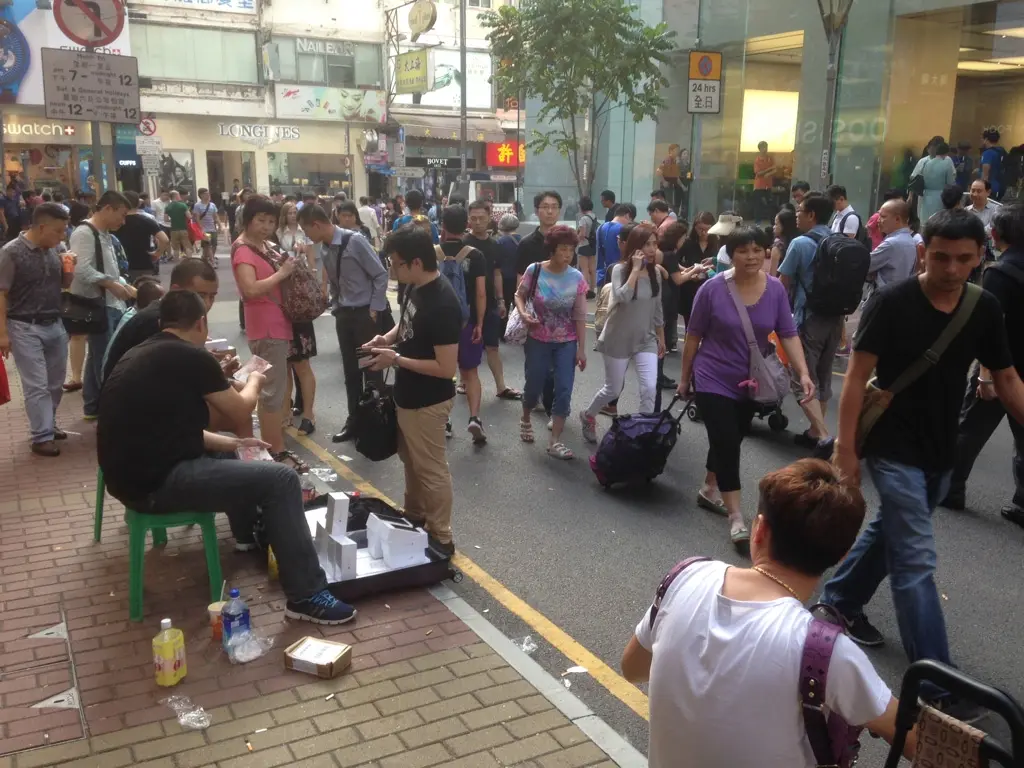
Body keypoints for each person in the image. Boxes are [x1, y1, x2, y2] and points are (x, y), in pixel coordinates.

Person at [826, 209, 1024, 720]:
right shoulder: (892, 303)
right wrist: (846, 450)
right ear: (922, 251)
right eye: (941, 256)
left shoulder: (984, 307)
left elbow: (1005, 379)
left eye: (964, 258)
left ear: (982, 256)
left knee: (890, 534)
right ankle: (937, 687)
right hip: (892, 447)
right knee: (915, 559)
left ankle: (839, 602)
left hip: (941, 450)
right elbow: (855, 379)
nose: (952, 268)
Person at [622, 459, 913, 768]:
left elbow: (633, 667)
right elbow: (914, 740)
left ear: (759, 529)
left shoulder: (686, 575)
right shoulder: (827, 655)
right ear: (841, 555)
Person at [98, 290, 355, 623]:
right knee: (281, 479)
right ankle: (306, 596)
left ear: (163, 322)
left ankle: (248, 536)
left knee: (234, 445)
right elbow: (241, 408)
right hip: (155, 485)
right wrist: (255, 380)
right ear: (201, 321)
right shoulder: (190, 356)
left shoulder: (144, 353)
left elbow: (173, 432)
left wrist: (234, 444)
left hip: (128, 479)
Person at [679, 225, 813, 550]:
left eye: (757, 250)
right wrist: (685, 378)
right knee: (727, 442)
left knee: (732, 435)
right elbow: (693, 335)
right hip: (712, 376)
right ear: (730, 254)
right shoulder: (711, 289)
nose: (751, 256)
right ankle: (737, 516)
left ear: (766, 252)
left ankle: (710, 488)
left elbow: (788, 333)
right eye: (743, 250)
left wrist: (804, 373)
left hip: (752, 381)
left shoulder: (776, 291)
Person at [362, 225, 462, 556]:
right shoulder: (413, 287)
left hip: (428, 401)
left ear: (416, 262)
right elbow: (405, 324)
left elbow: (446, 369)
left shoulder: (444, 303)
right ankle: (415, 517)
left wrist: (397, 359)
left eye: (396, 262)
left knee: (431, 468)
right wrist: (387, 340)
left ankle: (441, 536)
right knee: (412, 462)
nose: (392, 268)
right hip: (406, 395)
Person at [942, 204, 1024, 525]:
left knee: (969, 429)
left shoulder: (999, 273)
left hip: (1003, 368)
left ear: (996, 234)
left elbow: (991, 326)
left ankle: (951, 488)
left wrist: (986, 376)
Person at [297, 204, 388, 444]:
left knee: (372, 369)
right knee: (350, 371)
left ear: (316, 224)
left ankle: (377, 421)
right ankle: (355, 420)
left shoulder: (355, 241)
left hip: (364, 315)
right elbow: (335, 282)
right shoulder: (326, 249)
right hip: (344, 315)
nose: (308, 237)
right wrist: (336, 306)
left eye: (307, 230)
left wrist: (374, 309)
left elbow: (380, 274)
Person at [231, 194, 307, 471]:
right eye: (260, 220)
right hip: (266, 326)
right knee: (273, 392)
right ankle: (277, 450)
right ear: (247, 220)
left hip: (275, 323)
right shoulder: (243, 250)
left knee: (270, 387)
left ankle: (272, 446)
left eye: (271, 221)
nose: (266, 226)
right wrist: (282, 273)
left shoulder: (263, 245)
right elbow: (250, 290)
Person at [0, 203, 74, 456]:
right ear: (41, 227)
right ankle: (41, 435)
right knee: (37, 384)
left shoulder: (56, 249)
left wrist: (68, 270)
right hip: (23, 325)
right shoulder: (11, 252)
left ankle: (48, 424)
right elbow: (2, 293)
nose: (62, 236)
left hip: (54, 322)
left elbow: (64, 285)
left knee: (55, 382)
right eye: (58, 231)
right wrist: (2, 333)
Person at [580, 224, 665, 442]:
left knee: (649, 388)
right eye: (647, 244)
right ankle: (588, 415)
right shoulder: (619, 270)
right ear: (636, 246)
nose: (652, 249)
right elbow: (622, 297)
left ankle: (642, 434)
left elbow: (657, 308)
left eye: (655, 244)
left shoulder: (656, 272)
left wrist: (661, 337)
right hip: (617, 339)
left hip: (646, 340)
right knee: (612, 390)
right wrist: (635, 270)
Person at [778, 193, 844, 455]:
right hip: (835, 318)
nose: (797, 214)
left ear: (811, 215)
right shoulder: (838, 240)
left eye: (800, 210)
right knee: (824, 376)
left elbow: (782, 285)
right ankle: (815, 432)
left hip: (809, 318)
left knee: (802, 377)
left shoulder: (800, 243)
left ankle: (824, 436)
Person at [516, 225, 588, 459]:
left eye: (571, 250)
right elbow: (520, 294)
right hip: (538, 338)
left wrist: (582, 349)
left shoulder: (576, 277)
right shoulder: (535, 270)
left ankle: (554, 441)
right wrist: (523, 313)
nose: (568, 254)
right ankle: (526, 416)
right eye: (563, 249)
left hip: (566, 341)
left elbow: (579, 315)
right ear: (552, 250)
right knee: (534, 384)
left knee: (564, 388)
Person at [69, 190, 133, 421]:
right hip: (99, 304)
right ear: (108, 209)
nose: (123, 221)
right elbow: (81, 269)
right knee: (105, 358)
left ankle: (93, 405)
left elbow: (110, 269)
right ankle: (110, 411)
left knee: (98, 354)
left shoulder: (104, 234)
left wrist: (122, 284)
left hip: (110, 303)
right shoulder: (84, 233)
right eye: (121, 215)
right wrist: (110, 284)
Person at [103, 258, 220, 379]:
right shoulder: (156, 321)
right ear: (176, 290)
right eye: (200, 296)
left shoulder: (171, 314)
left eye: (212, 297)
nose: (207, 304)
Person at [464, 201, 520, 404]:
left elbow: (497, 273)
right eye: (473, 218)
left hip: (490, 304)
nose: (477, 222)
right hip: (468, 304)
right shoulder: (464, 244)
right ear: (468, 219)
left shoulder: (495, 245)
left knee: (492, 347)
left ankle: (501, 386)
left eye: (481, 218)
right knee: (467, 345)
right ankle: (464, 382)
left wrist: (501, 300)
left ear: (490, 218)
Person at [276, 202, 318, 437]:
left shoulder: (304, 234)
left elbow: (312, 263)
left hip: (298, 304)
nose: (292, 215)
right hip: (280, 304)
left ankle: (309, 414)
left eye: (295, 212)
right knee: (284, 365)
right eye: (289, 212)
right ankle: (286, 413)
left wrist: (311, 281)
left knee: (301, 364)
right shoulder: (276, 236)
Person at [114, 191, 168, 283]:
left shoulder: (116, 221)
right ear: (138, 203)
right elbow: (165, 240)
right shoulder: (146, 220)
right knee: (145, 293)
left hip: (119, 264)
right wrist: (157, 253)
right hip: (143, 264)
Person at [867, 199, 919, 292]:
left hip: (884, 296)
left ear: (897, 219)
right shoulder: (910, 240)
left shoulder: (891, 243)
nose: (878, 220)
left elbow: (866, 265)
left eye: (883, 216)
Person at [677, 211, 717, 325]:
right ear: (694, 227)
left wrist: (712, 266)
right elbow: (675, 261)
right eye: (700, 229)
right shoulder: (687, 242)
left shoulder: (717, 242)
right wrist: (687, 271)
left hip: (710, 287)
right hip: (690, 287)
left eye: (707, 229)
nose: (703, 233)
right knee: (689, 325)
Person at [912, 141, 956, 222]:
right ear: (946, 152)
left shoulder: (927, 163)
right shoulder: (947, 164)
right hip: (940, 196)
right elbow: (950, 183)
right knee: (938, 221)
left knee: (926, 221)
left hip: (926, 195)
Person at [595, 204, 635, 284]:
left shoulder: (601, 227)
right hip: (619, 274)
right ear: (627, 215)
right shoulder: (623, 230)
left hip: (602, 275)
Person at [496, 214, 521, 323]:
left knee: (503, 307)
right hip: (520, 279)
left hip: (504, 280)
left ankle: (503, 332)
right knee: (519, 307)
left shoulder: (500, 242)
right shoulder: (523, 240)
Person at [575, 196, 598, 298]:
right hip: (592, 245)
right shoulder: (594, 217)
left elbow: (582, 234)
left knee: (584, 269)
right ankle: (592, 290)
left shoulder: (583, 219)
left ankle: (586, 291)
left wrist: (576, 238)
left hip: (584, 245)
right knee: (592, 269)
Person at [192, 188, 219, 266]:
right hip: (204, 229)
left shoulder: (212, 205)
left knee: (214, 244)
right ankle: (212, 261)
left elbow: (215, 216)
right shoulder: (197, 205)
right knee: (208, 245)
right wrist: (201, 229)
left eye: (208, 193)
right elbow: (197, 218)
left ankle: (205, 258)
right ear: (201, 195)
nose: (208, 195)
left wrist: (219, 225)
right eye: (206, 193)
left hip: (212, 228)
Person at [981, 128, 1008, 200]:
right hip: (1000, 186)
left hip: (989, 188)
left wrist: (982, 189)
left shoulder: (987, 153)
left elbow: (985, 175)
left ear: (986, 139)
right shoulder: (1002, 151)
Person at [165, 190, 192, 260]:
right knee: (187, 246)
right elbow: (189, 216)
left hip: (173, 230)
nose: (179, 196)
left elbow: (166, 219)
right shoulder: (183, 205)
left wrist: (173, 219)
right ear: (176, 196)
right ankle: (190, 261)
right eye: (178, 195)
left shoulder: (168, 207)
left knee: (175, 248)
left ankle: (176, 263)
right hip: (183, 229)